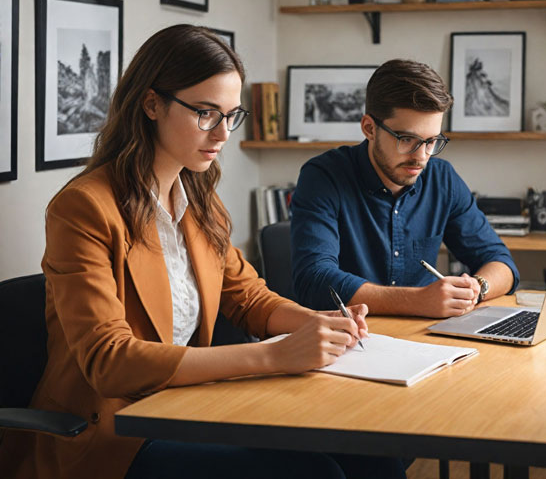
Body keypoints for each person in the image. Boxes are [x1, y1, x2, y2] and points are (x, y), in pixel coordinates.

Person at [0, 25, 411, 479]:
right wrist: (275, 356)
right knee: (312, 473)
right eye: (204, 113)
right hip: (108, 435)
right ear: (151, 103)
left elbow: (248, 297)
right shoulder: (83, 208)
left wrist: (318, 323)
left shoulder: (198, 199)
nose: (222, 134)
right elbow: (109, 360)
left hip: (189, 405)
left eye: (231, 115)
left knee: (374, 453)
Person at [291, 58, 520, 316]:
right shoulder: (323, 177)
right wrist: (417, 301)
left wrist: (476, 289)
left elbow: (501, 263)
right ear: (369, 128)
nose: (421, 156)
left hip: (425, 337)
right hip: (352, 339)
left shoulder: (442, 179)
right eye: (407, 139)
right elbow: (314, 280)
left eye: (431, 141)